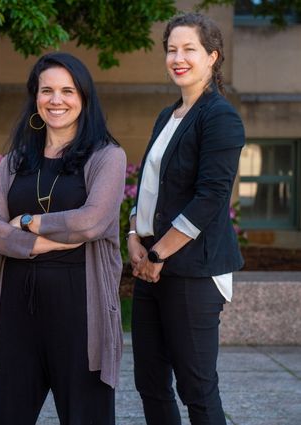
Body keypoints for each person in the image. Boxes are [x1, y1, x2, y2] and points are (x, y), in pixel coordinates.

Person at [0, 52, 126, 425]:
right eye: (47, 91)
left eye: (67, 91)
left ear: (84, 98)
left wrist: (26, 221)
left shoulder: (107, 156)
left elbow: (90, 223)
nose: (56, 100)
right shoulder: (16, 161)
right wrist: (43, 242)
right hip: (13, 312)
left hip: (80, 314)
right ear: (35, 98)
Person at [127, 13, 245, 425]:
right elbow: (149, 185)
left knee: (196, 387)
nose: (178, 58)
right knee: (150, 384)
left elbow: (210, 197)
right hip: (152, 267)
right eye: (171, 49)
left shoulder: (220, 116)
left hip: (192, 272)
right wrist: (132, 234)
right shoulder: (168, 115)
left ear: (212, 56)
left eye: (189, 49)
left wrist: (157, 254)